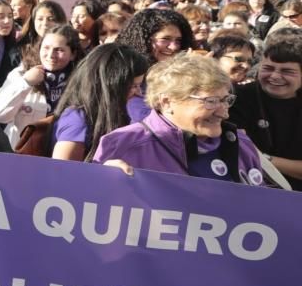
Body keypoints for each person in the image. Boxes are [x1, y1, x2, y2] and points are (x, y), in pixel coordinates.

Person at [93, 54, 269, 187]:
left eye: (226, 100)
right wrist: (102, 182)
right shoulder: (123, 145)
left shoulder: (241, 144)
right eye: (210, 102)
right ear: (167, 102)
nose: (224, 114)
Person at [50, 43, 150, 161]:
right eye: (134, 86)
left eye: (140, 85)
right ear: (111, 85)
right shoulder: (77, 120)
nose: (139, 92)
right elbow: (62, 172)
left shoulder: (118, 112)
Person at [0, 25, 81, 149]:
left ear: (73, 54)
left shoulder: (81, 81)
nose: (51, 55)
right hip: (22, 154)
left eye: (59, 50)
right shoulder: (22, 73)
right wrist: (25, 83)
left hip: (61, 154)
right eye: (46, 48)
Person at [228, 32, 302, 189]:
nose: (274, 76)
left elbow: (249, 153)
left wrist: (264, 159)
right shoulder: (238, 97)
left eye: (287, 71)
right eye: (268, 68)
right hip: (250, 189)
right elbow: (237, 150)